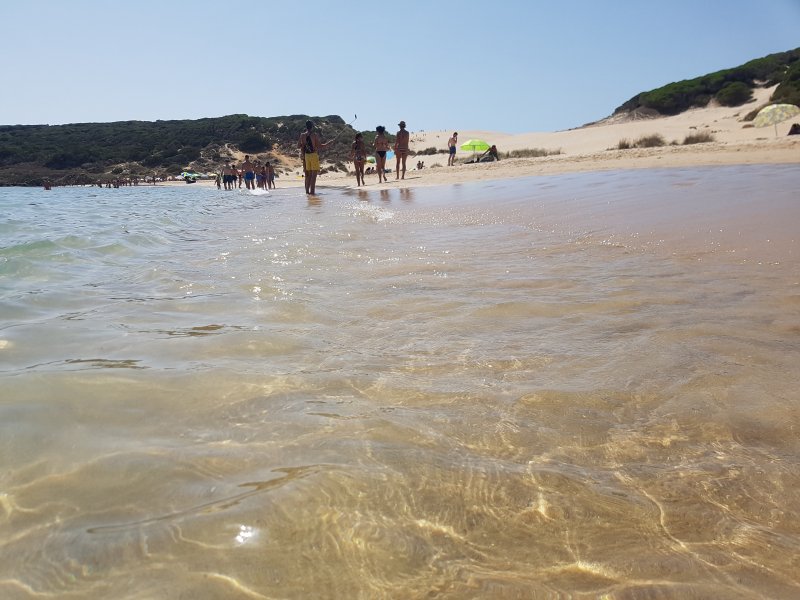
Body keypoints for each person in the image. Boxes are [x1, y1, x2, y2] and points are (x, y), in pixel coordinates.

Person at [297, 120, 330, 195]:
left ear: (306, 126)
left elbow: (298, 146)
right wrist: (328, 144)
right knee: (313, 176)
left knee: (308, 176)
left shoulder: (302, 135)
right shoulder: (314, 135)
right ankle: (312, 194)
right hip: (313, 156)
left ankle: (307, 193)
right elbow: (320, 146)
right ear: (312, 126)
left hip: (306, 156)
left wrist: (304, 145)